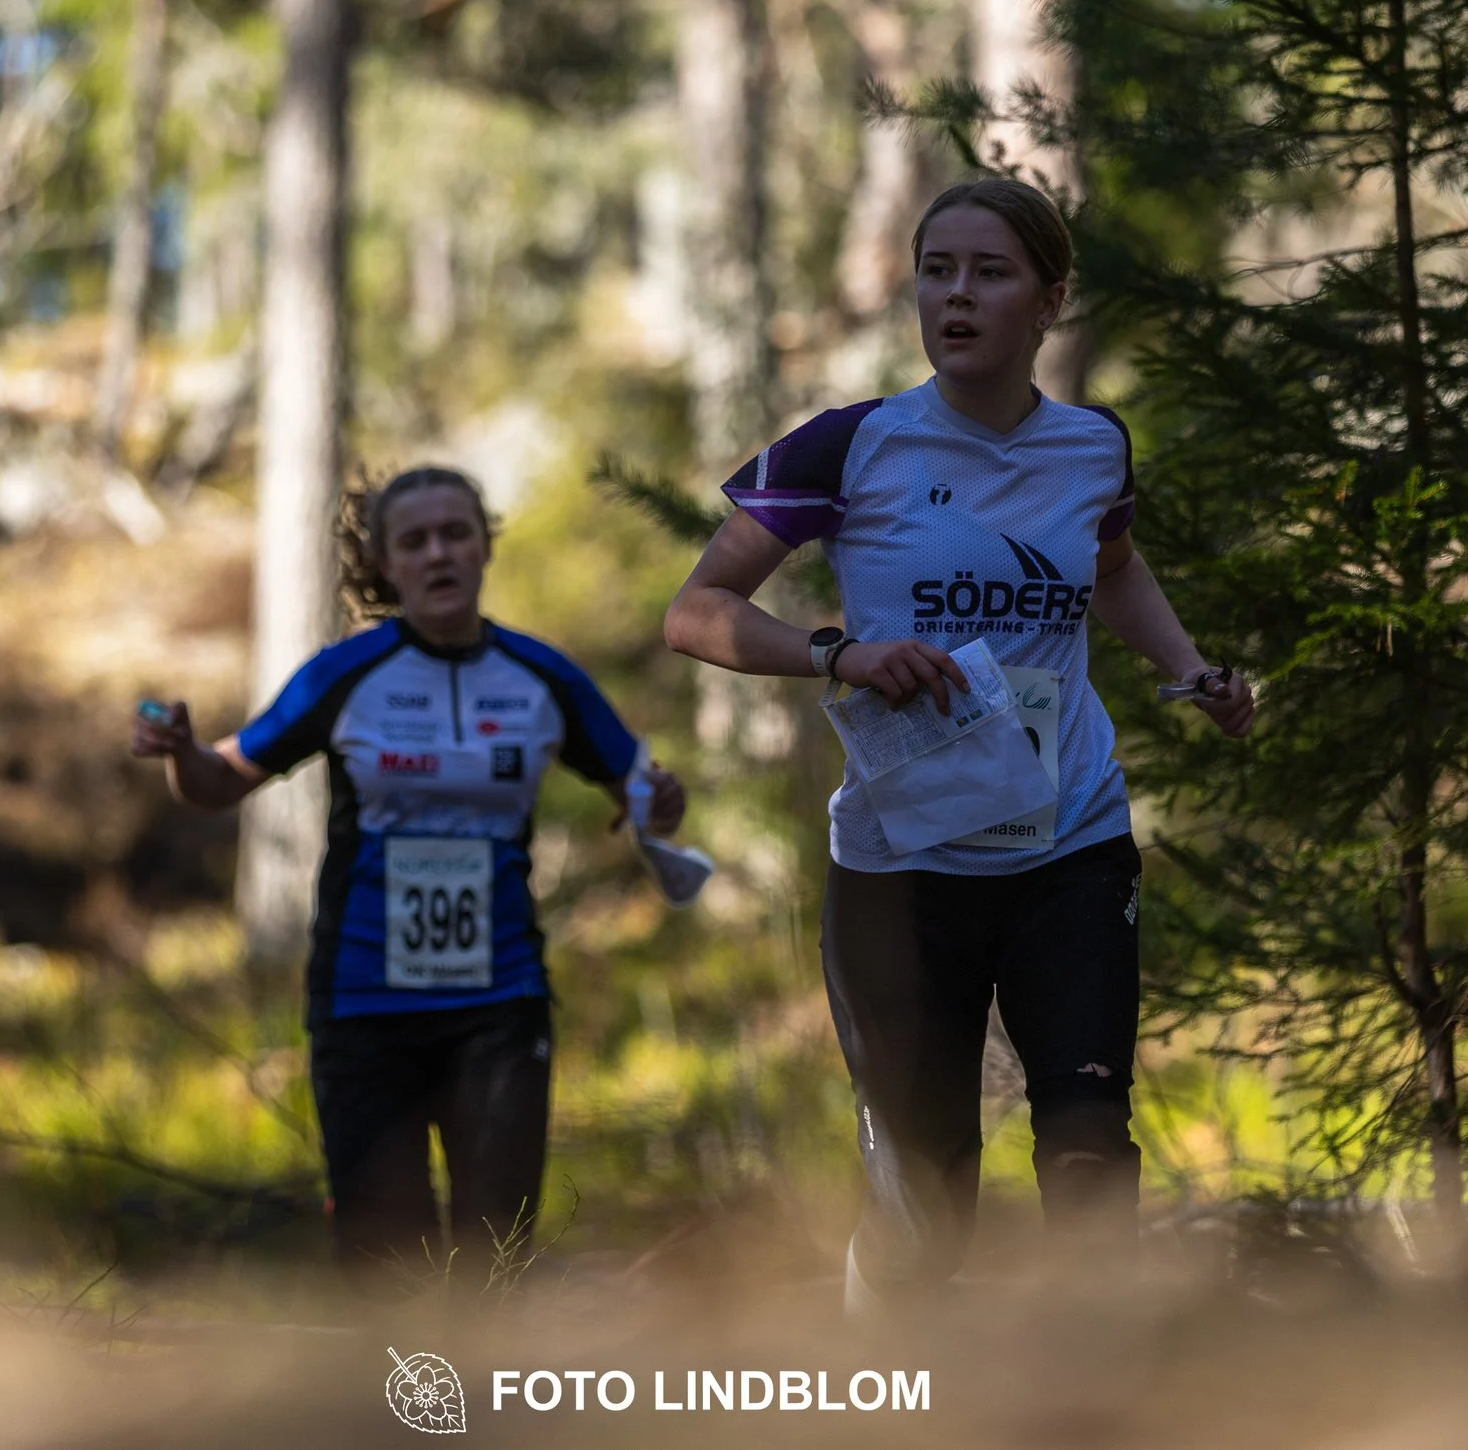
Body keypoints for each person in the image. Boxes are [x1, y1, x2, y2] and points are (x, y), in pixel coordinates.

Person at [663, 176, 1256, 1307]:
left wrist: (1191, 672)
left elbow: (1115, 572)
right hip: (902, 868)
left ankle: (1083, 1403)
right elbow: (694, 610)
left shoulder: (1092, 447)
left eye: (989, 272)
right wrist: (836, 652)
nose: (957, 295)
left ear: (1048, 298)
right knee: (927, 1208)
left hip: (1068, 842)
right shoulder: (849, 446)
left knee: (1087, 1146)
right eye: (937, 270)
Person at [131, 466, 689, 1286]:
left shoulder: (543, 678)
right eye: (415, 540)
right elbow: (221, 781)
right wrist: (180, 751)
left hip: (499, 1005)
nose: (439, 554)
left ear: (485, 547)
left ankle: (488, 1413)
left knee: (494, 1262)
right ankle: (399, 1419)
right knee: (384, 1267)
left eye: (456, 534)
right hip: (364, 1007)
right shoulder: (344, 676)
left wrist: (658, 802)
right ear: (386, 564)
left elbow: (643, 793)